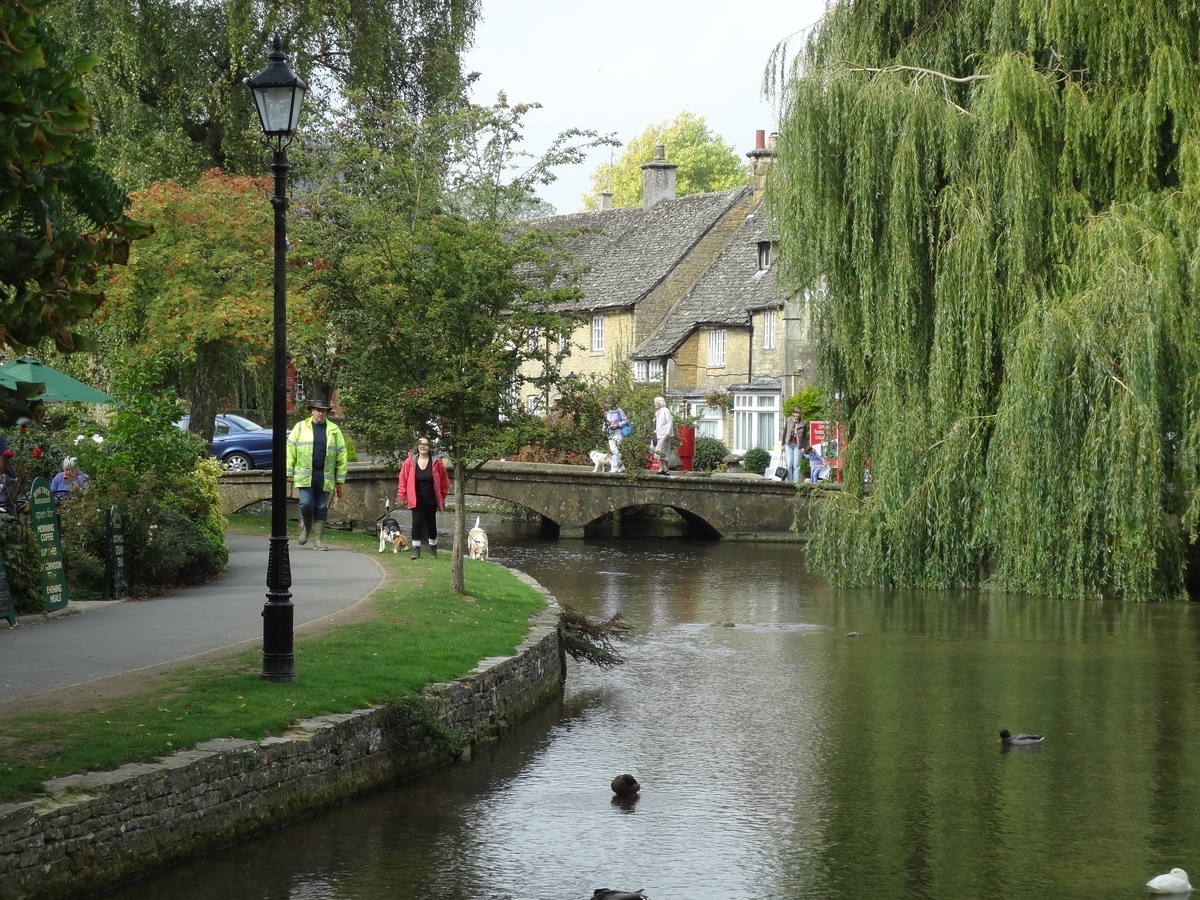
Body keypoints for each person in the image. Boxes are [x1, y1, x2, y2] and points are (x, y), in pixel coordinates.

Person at [285, 397, 348, 551]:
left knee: (321, 507)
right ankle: (307, 529)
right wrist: (288, 471)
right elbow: (290, 450)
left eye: (324, 411)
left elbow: (342, 455)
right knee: (306, 504)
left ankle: (318, 540)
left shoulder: (334, 430)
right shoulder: (300, 428)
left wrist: (340, 478)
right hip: (305, 475)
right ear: (312, 411)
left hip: (324, 476)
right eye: (318, 410)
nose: (321, 413)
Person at [397, 436, 450, 560]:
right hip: (416, 498)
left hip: (431, 499)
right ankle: (416, 550)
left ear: (429, 447)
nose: (423, 446)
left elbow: (444, 481)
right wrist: (402, 493)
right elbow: (403, 478)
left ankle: (433, 548)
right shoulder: (410, 462)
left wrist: (442, 496)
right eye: (421, 444)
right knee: (416, 523)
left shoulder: (437, 463)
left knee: (431, 524)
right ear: (417, 446)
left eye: (426, 444)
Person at [780, 407, 809, 483]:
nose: (796, 415)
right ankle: (789, 482)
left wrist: (803, 447)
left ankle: (795, 483)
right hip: (788, 444)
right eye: (795, 413)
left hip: (798, 445)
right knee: (789, 464)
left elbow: (805, 437)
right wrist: (782, 444)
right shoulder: (789, 420)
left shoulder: (803, 423)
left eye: (798, 413)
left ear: (800, 414)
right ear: (793, 413)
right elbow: (785, 432)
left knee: (796, 465)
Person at [603, 398, 630, 473]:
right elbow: (605, 422)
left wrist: (617, 425)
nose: (607, 405)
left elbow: (625, 420)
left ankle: (614, 468)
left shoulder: (619, 411)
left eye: (609, 403)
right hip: (610, 433)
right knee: (613, 450)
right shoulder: (606, 412)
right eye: (606, 403)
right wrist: (604, 429)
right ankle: (621, 466)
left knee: (615, 450)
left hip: (618, 432)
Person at [652, 396, 674, 474]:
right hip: (659, 434)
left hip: (665, 434)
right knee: (662, 452)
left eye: (656, 402)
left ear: (660, 402)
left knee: (659, 451)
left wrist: (667, 433)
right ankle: (665, 469)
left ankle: (662, 468)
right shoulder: (658, 412)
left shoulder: (665, 410)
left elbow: (669, 422)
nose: (654, 404)